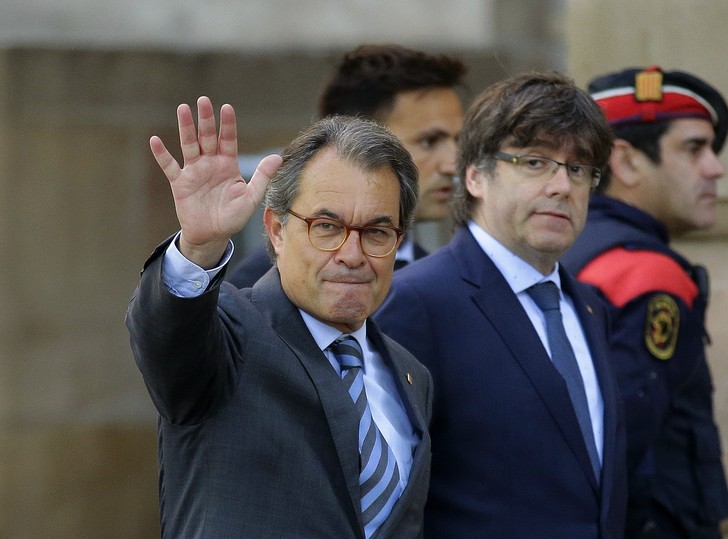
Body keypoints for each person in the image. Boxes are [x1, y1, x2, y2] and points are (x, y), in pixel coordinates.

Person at [125, 97, 433, 538]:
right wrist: (199, 247)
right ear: (276, 230)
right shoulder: (231, 330)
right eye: (326, 227)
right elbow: (166, 338)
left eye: (376, 232)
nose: (352, 255)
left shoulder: (411, 375)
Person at [374, 72, 627, 538]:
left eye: (578, 169)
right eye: (535, 162)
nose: (561, 186)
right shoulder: (417, 302)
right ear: (475, 175)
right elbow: (382, 498)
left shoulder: (590, 307)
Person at [561, 65, 728, 537]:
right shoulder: (648, 273)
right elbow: (623, 440)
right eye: (694, 148)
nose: (716, 168)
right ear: (627, 161)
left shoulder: (566, 247)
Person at [228, 44, 467, 286]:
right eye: (429, 141)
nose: (452, 165)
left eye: (458, 141)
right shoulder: (254, 289)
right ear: (354, 140)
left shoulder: (441, 280)